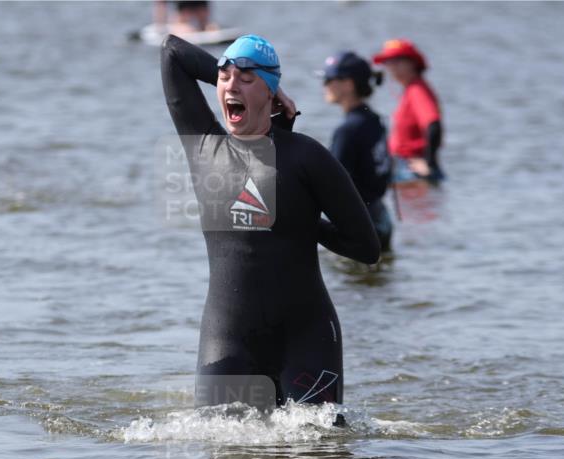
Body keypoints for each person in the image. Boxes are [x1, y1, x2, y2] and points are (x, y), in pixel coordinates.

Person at [161, 33, 380, 411]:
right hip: (227, 342)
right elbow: (172, 53)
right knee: (226, 456)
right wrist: (237, 79)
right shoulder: (203, 145)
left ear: (270, 91)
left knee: (317, 453)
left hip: (306, 339)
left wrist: (302, 221)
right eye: (225, 76)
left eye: (247, 79)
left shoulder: (307, 157)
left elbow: (367, 248)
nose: (232, 84)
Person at [320, 50, 393, 251]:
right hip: (381, 218)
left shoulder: (347, 131)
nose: (324, 85)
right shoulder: (375, 120)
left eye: (329, 79)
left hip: (361, 225)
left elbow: (331, 186)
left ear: (348, 84)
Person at [372, 39, 444, 183]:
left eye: (397, 60)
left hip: (411, 170)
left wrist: (429, 163)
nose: (391, 66)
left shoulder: (417, 90)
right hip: (404, 168)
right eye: (388, 62)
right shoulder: (411, 90)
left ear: (413, 63)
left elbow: (434, 124)